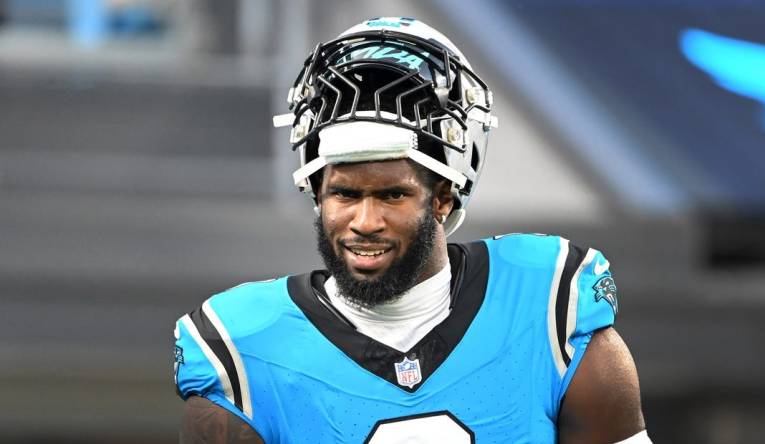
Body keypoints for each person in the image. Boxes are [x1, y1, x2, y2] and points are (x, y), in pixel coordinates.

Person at [174, 17, 650, 444]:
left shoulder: (547, 306)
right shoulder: (245, 346)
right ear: (316, 193)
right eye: (345, 194)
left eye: (391, 195)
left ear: (443, 195)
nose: (365, 222)